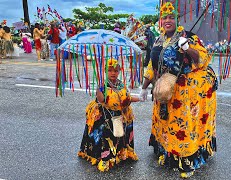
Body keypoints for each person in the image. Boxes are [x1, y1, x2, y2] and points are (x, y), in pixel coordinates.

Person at [139, 2, 218, 178]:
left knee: (182, 125)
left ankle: (187, 162)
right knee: (165, 123)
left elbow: (203, 59)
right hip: (164, 88)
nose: (167, 20)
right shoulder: (159, 39)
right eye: (164, 17)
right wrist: (144, 88)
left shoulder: (189, 37)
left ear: (177, 19)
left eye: (171, 17)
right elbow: (152, 65)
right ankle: (167, 155)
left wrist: (187, 48)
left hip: (185, 92)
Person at [78, 58, 140, 172]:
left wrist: (136, 99)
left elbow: (126, 98)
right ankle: (105, 158)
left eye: (115, 71)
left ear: (119, 71)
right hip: (106, 114)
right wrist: (99, 90)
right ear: (106, 71)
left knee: (126, 125)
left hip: (120, 113)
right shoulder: (103, 85)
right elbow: (102, 100)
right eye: (110, 70)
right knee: (106, 131)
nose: (113, 73)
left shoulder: (121, 84)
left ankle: (122, 152)